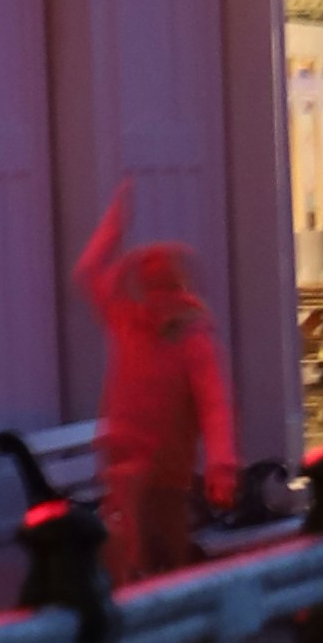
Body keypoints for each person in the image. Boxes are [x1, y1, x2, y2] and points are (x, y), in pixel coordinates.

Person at [77, 176, 240, 576]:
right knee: (134, 552)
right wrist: (113, 229)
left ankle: (164, 625)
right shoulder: (135, 323)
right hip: (133, 460)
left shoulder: (182, 335)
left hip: (162, 468)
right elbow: (89, 273)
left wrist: (221, 464)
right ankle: (146, 619)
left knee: (160, 551)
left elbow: (214, 407)